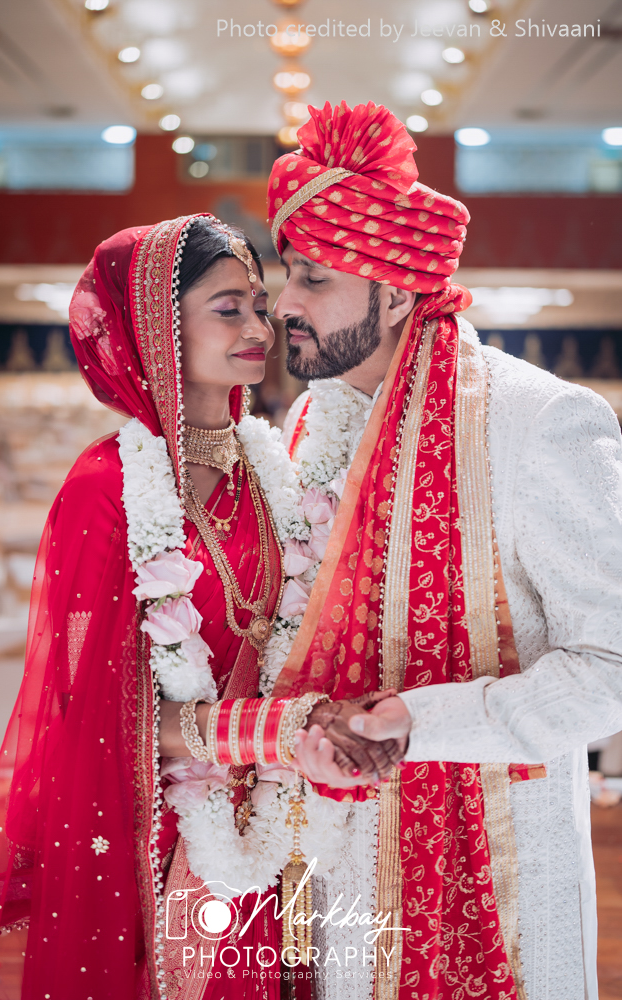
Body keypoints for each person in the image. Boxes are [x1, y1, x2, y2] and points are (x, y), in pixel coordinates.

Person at [0, 215, 402, 1000]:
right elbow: (97, 709)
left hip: (269, 823)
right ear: (155, 329)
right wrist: (276, 729)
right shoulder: (104, 491)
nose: (260, 328)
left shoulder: (270, 472)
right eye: (228, 309)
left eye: (259, 306)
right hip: (153, 833)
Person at [267, 101, 622, 1000]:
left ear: (395, 292)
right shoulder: (306, 421)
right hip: (331, 854)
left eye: (313, 279)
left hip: (499, 864)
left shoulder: (538, 420)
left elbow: (611, 667)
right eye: (285, 272)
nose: (283, 303)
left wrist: (418, 723)